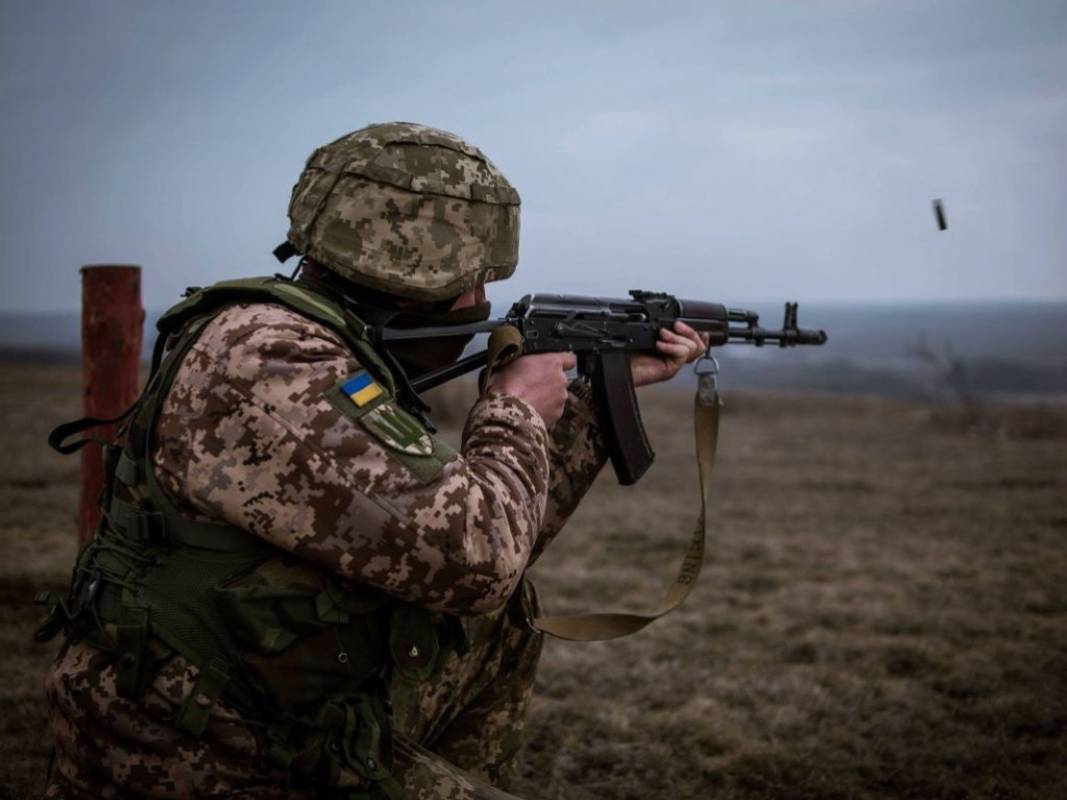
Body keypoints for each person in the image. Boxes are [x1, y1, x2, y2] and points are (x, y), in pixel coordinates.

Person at [41, 122, 707, 799]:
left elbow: (487, 542)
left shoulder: (311, 340)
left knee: (495, 621)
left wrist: (593, 403)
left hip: (261, 696)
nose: (483, 302)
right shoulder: (272, 360)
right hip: (196, 745)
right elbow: (476, 560)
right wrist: (513, 410)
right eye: (474, 279)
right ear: (418, 277)